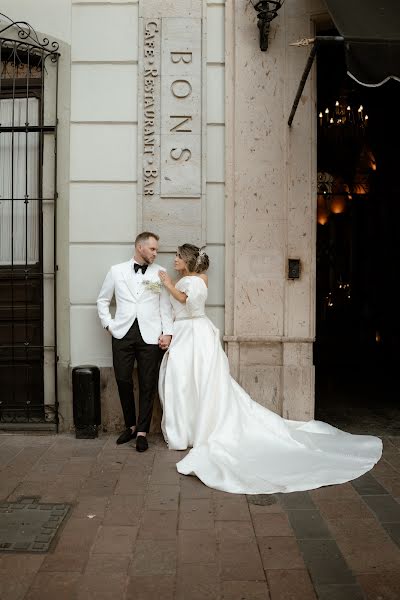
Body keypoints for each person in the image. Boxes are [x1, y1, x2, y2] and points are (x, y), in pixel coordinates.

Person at [157, 243, 383, 494]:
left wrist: (167, 284)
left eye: (178, 256)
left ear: (188, 260)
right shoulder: (184, 280)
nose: (174, 260)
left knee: (200, 381)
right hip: (183, 334)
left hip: (196, 334)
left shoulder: (197, 281)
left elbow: (187, 304)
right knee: (183, 382)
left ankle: (200, 428)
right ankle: (186, 429)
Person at [97, 232, 173, 452]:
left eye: (156, 250)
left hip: (150, 335)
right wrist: (109, 325)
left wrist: (167, 332)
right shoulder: (116, 271)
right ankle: (130, 426)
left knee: (148, 384)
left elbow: (165, 306)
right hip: (122, 333)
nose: (156, 253)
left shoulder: (160, 273)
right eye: (153, 249)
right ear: (140, 247)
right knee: (122, 380)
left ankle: (142, 431)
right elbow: (102, 300)